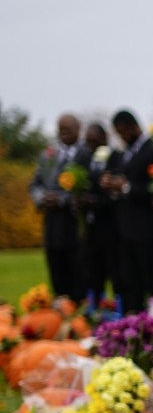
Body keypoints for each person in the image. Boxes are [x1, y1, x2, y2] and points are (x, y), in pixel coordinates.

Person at [100, 110, 153, 312]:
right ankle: (133, 319)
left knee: (151, 276)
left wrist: (127, 187)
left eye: (123, 132)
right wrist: (109, 185)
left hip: (148, 227)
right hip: (124, 228)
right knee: (130, 279)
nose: (121, 137)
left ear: (133, 127)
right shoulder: (120, 154)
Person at [28, 114, 87, 301]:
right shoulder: (48, 155)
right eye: (61, 130)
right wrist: (42, 198)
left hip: (75, 224)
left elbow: (87, 187)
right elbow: (34, 184)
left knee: (77, 272)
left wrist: (61, 200)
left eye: (68, 130)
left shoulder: (85, 154)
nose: (64, 134)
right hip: (52, 225)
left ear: (78, 129)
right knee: (56, 268)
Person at [77, 123, 119, 303]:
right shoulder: (85, 160)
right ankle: (95, 307)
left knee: (115, 271)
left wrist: (94, 201)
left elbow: (115, 195)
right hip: (90, 228)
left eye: (94, 142)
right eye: (87, 143)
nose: (90, 146)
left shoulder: (115, 157)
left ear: (104, 139)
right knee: (92, 271)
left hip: (110, 227)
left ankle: (119, 308)